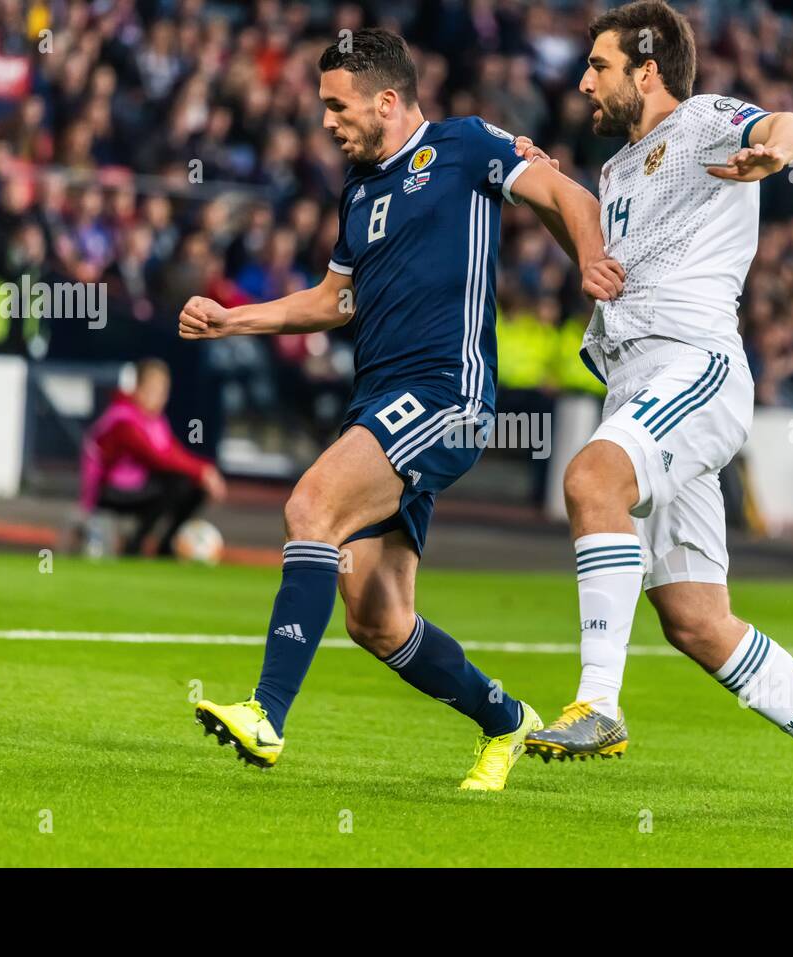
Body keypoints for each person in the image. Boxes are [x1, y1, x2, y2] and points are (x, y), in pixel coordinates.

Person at [178, 29, 623, 790]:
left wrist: (587, 259)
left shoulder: (465, 145)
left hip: (447, 395)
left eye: (335, 105)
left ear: (387, 100)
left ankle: (267, 714)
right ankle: (506, 719)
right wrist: (233, 318)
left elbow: (567, 194)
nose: (325, 121)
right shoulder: (357, 191)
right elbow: (334, 299)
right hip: (383, 399)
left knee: (311, 504)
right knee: (377, 618)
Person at [520, 1, 793, 827]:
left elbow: (792, 124)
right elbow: (612, 265)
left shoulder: (700, 121)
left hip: (693, 368)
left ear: (646, 70)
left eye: (600, 65)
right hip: (636, 384)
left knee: (591, 482)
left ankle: (598, 704)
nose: (584, 80)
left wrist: (778, 149)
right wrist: (554, 200)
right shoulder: (621, 170)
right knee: (695, 620)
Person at [79, 358, 226, 556]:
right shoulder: (123, 419)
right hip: (109, 492)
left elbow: (174, 452)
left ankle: (166, 546)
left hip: (138, 487)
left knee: (192, 487)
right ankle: (135, 546)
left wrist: (203, 472)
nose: (158, 397)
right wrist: (203, 471)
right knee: (177, 483)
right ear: (137, 388)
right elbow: (158, 458)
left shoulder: (155, 420)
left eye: (163, 391)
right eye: (152, 390)